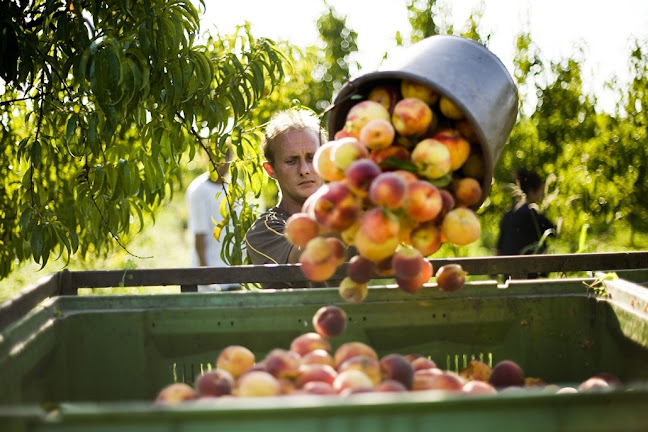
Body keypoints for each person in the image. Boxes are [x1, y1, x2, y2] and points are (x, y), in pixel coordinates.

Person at [244, 108, 327, 288]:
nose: (304, 170)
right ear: (271, 170)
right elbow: (304, 260)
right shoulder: (263, 230)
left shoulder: (354, 214)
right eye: (291, 161)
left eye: (311, 157)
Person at [186, 155, 241, 292]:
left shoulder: (235, 185)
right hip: (211, 271)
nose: (225, 163)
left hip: (234, 271)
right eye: (221, 158)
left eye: (228, 158)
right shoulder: (199, 190)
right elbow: (199, 233)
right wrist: (205, 272)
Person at [496, 168, 556, 278]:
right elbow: (553, 231)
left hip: (509, 276)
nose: (541, 196)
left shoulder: (509, 214)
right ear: (532, 191)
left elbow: (499, 247)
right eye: (540, 191)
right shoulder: (533, 213)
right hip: (531, 275)